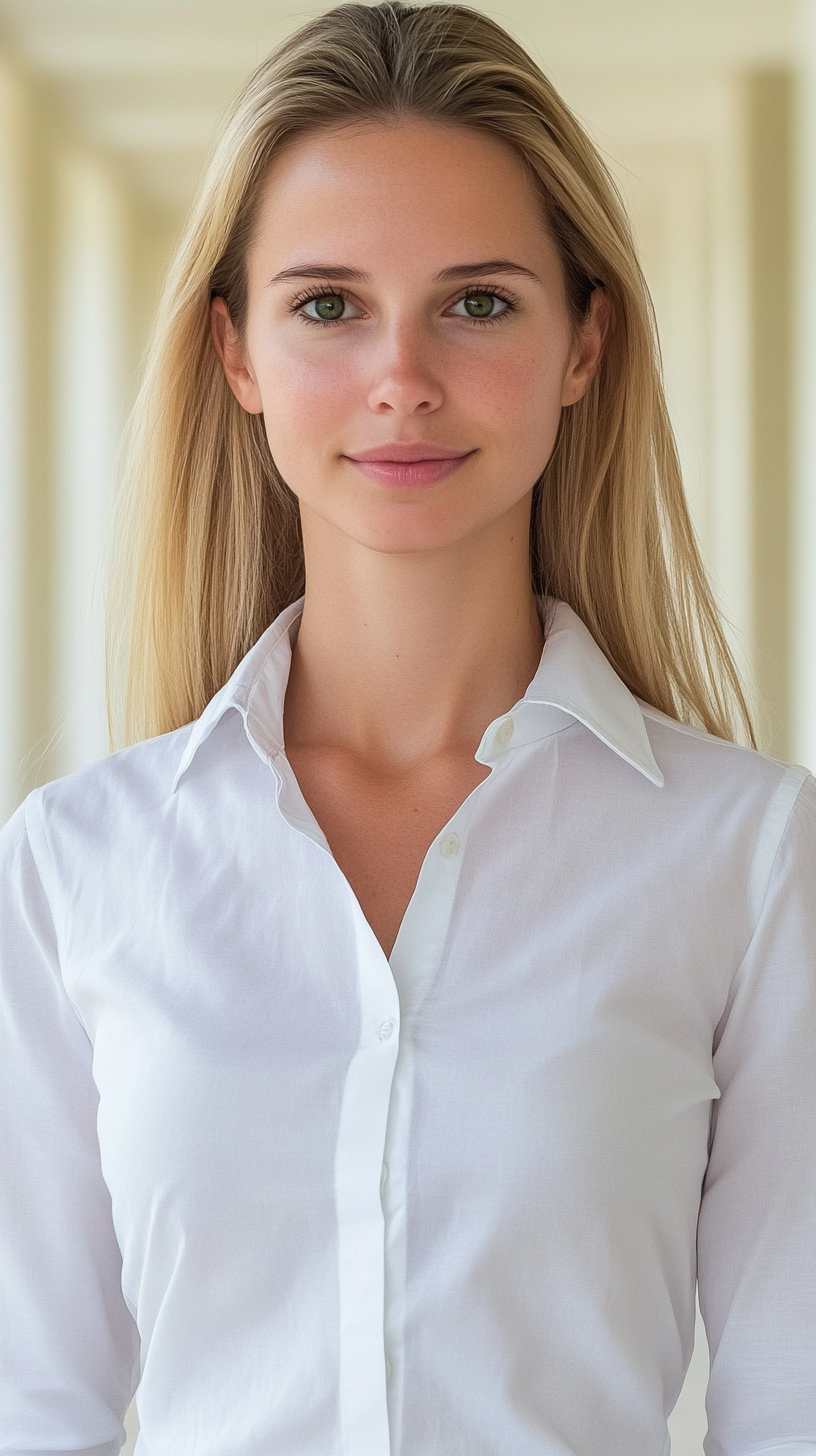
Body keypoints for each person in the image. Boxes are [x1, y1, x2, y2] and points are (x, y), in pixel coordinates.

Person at [1, 3, 814, 1453]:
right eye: (328, 304)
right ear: (236, 353)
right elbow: (29, 1406)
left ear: (586, 343)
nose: (403, 378)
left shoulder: (747, 860)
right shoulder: (75, 869)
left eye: (479, 301)